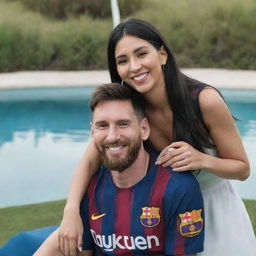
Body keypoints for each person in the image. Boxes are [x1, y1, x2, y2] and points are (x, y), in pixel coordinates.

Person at [58, 18, 256, 256]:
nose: (134, 66)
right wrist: (70, 210)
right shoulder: (131, 111)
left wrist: (202, 160)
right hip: (164, 213)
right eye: (122, 61)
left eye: (141, 54)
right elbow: (89, 161)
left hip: (216, 212)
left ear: (162, 54)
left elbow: (242, 169)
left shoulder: (204, 101)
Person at [33, 83, 205, 256]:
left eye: (123, 124)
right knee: (57, 242)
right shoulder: (89, 186)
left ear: (144, 129)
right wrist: (70, 210)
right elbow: (84, 252)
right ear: (92, 132)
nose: (112, 136)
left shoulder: (178, 188)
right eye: (103, 125)